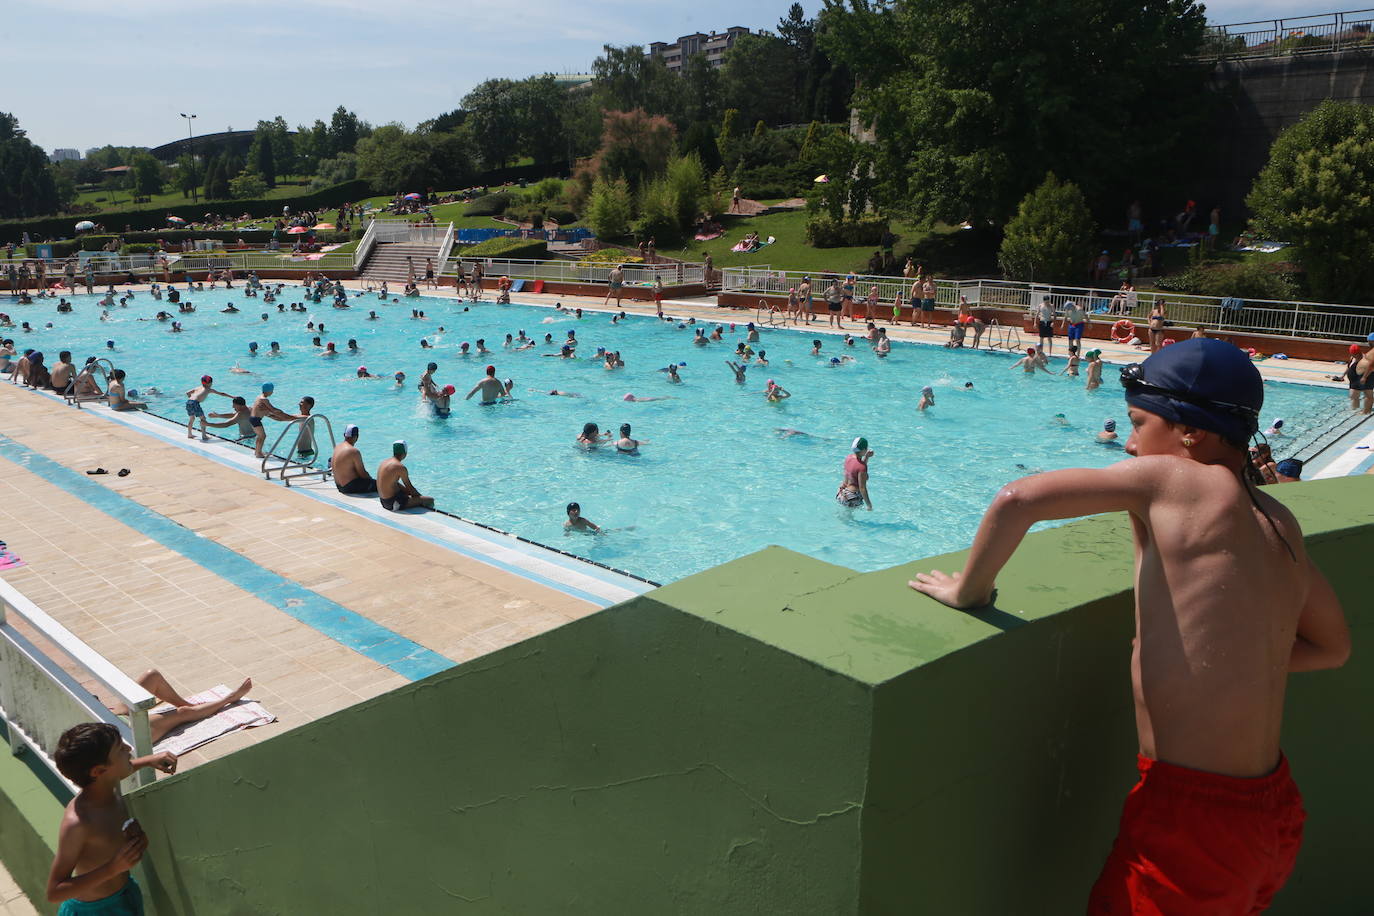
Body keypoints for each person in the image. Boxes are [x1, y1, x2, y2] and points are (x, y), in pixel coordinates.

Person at [909, 338, 1350, 913]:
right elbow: (1331, 646)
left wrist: (969, 591)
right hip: (1272, 808)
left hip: (1194, 814)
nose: (1132, 441)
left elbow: (1019, 498)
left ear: (1189, 431)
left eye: (1140, 423)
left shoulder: (1175, 480)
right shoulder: (1276, 519)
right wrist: (1234, 657)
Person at [46, 723, 177, 914]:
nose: (129, 749)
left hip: (125, 895)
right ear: (98, 771)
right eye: (120, 749)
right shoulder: (79, 823)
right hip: (93, 911)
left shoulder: (110, 785)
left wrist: (149, 760)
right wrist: (112, 869)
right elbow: (54, 892)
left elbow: (122, 769)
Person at [377, 440, 434, 511]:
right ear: (405, 453)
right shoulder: (400, 467)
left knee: (400, 486)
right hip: (392, 504)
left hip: (383, 501)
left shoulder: (384, 462)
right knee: (430, 500)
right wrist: (420, 498)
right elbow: (410, 488)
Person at [250, 383, 296, 459]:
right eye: (272, 391)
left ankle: (257, 451)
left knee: (260, 436)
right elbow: (272, 409)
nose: (272, 392)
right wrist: (280, 412)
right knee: (262, 436)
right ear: (269, 391)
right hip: (256, 420)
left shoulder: (259, 397)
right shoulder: (264, 399)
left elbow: (264, 409)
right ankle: (258, 453)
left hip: (252, 418)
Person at [331, 424, 376, 494]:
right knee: (380, 485)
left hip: (339, 487)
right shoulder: (353, 451)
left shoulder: (337, 447)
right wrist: (372, 481)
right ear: (356, 437)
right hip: (349, 488)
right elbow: (363, 473)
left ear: (344, 435)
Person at [184, 375, 230, 441]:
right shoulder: (208, 389)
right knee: (203, 419)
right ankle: (204, 436)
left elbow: (187, 393)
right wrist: (232, 397)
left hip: (189, 402)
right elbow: (221, 393)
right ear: (210, 383)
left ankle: (189, 434)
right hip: (195, 403)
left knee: (192, 418)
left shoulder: (199, 387)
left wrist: (191, 399)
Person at [837, 437, 873, 510]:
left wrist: (866, 457)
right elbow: (862, 488)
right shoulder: (862, 467)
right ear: (863, 450)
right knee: (850, 519)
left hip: (842, 493)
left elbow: (857, 469)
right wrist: (869, 505)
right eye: (866, 448)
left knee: (845, 516)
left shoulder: (848, 458)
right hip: (852, 497)